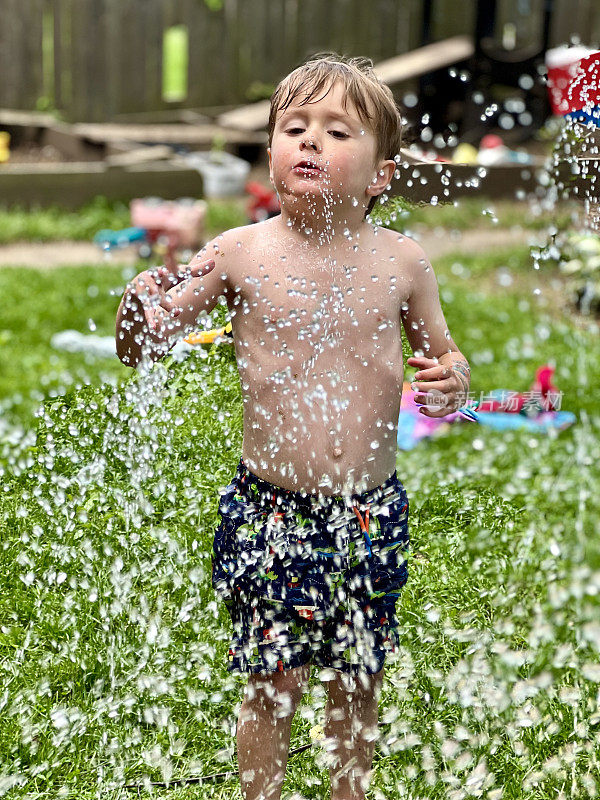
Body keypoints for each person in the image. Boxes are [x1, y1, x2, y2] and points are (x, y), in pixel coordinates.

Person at [116, 53, 470, 800]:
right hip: (270, 510)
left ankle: (349, 790)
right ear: (271, 150)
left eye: (336, 131)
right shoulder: (241, 253)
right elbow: (147, 343)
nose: (309, 142)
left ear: (381, 174)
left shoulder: (402, 262)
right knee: (272, 677)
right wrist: (139, 308)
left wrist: (449, 384)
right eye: (294, 127)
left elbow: (443, 362)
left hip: (370, 511)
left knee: (356, 673)